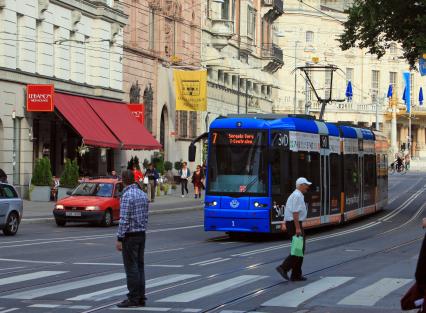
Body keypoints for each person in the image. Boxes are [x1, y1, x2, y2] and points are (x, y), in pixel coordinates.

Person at [116, 170, 149, 308]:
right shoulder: (142, 194)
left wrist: (119, 238)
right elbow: (146, 216)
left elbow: (124, 219)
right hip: (141, 234)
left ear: (123, 180)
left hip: (130, 236)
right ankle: (141, 296)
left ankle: (133, 297)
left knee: (131, 268)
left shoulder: (127, 196)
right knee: (140, 266)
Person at [276, 177, 311, 282]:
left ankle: (296, 275)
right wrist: (297, 228)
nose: (308, 187)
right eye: (306, 185)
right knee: (298, 249)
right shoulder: (297, 196)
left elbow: (288, 209)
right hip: (294, 224)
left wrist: (284, 222)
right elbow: (295, 212)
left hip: (293, 223)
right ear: (300, 185)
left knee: (299, 249)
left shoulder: (297, 195)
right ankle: (283, 268)